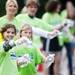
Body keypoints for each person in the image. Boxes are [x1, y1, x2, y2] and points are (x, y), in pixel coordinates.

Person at [42, 0, 62, 75]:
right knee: (47, 61)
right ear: (53, 6)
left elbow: (61, 26)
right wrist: (57, 27)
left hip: (57, 40)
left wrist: (63, 26)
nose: (59, 8)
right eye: (58, 7)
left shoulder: (58, 15)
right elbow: (45, 27)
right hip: (48, 40)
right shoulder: (46, 15)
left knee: (58, 61)